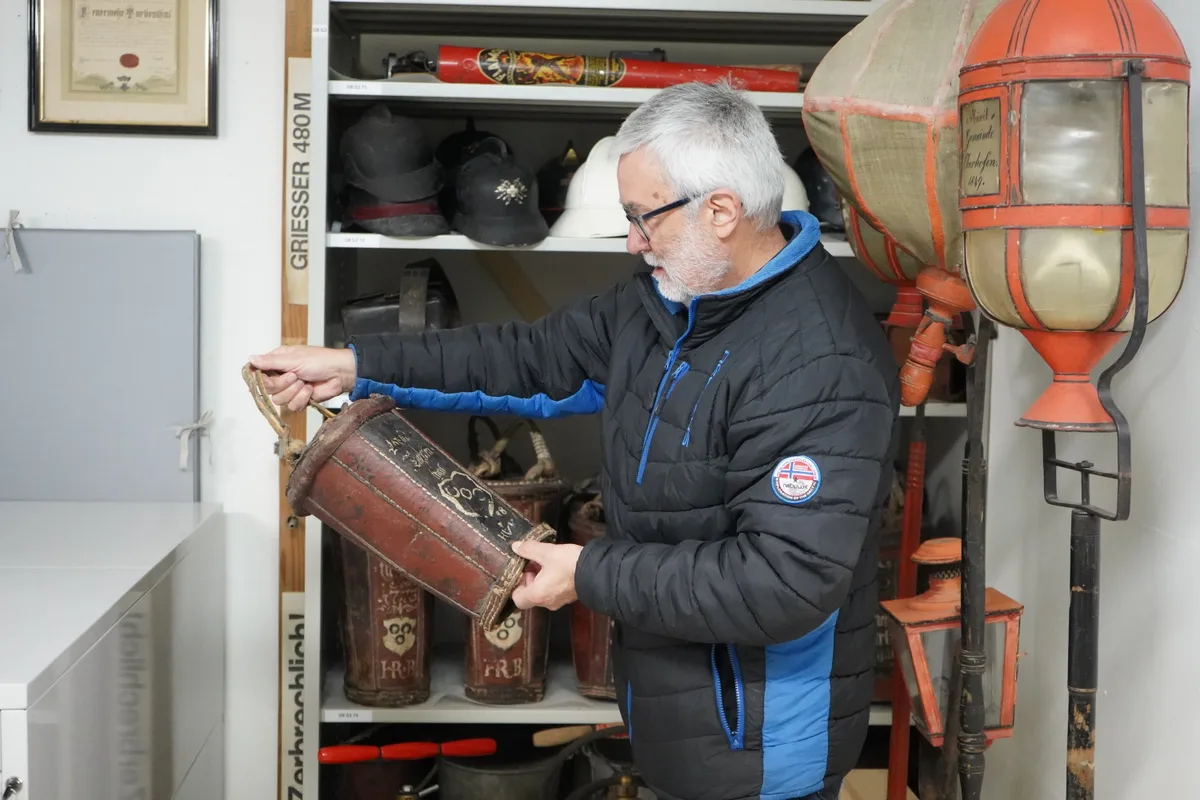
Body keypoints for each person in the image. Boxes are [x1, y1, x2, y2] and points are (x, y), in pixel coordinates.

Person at [252, 80, 900, 800]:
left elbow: (783, 581)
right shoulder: (667, 302)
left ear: (720, 211)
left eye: (643, 218)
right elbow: (526, 358)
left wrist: (588, 573)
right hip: (678, 716)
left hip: (762, 750)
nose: (633, 242)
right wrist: (355, 365)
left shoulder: (820, 361)